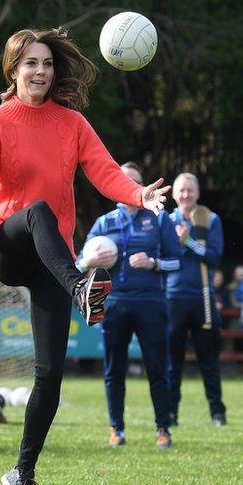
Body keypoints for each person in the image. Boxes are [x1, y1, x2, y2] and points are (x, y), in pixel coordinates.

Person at [0, 27, 169, 485]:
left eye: (46, 63)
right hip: (6, 244)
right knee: (38, 210)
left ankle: (21, 475)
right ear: (13, 69)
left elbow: (107, 172)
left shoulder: (72, 123)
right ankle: (80, 289)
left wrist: (139, 195)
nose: (40, 71)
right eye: (30, 63)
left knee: (50, 374)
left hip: (53, 257)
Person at [79, 162, 182, 449]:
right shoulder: (104, 223)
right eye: (122, 181)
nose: (129, 186)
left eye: (135, 182)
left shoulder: (160, 219)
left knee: (157, 368)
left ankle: (163, 428)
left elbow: (178, 261)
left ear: (143, 186)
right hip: (114, 304)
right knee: (114, 368)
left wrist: (153, 263)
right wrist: (89, 261)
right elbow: (78, 262)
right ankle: (116, 429)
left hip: (151, 303)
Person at [166, 173, 226, 427]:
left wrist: (188, 240)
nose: (186, 195)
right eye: (181, 190)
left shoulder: (210, 219)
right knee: (172, 362)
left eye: (190, 190)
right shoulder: (164, 221)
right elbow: (165, 259)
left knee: (208, 360)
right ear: (174, 194)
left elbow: (214, 257)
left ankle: (217, 413)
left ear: (198, 193)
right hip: (172, 297)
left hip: (202, 297)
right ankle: (170, 413)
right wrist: (179, 244)